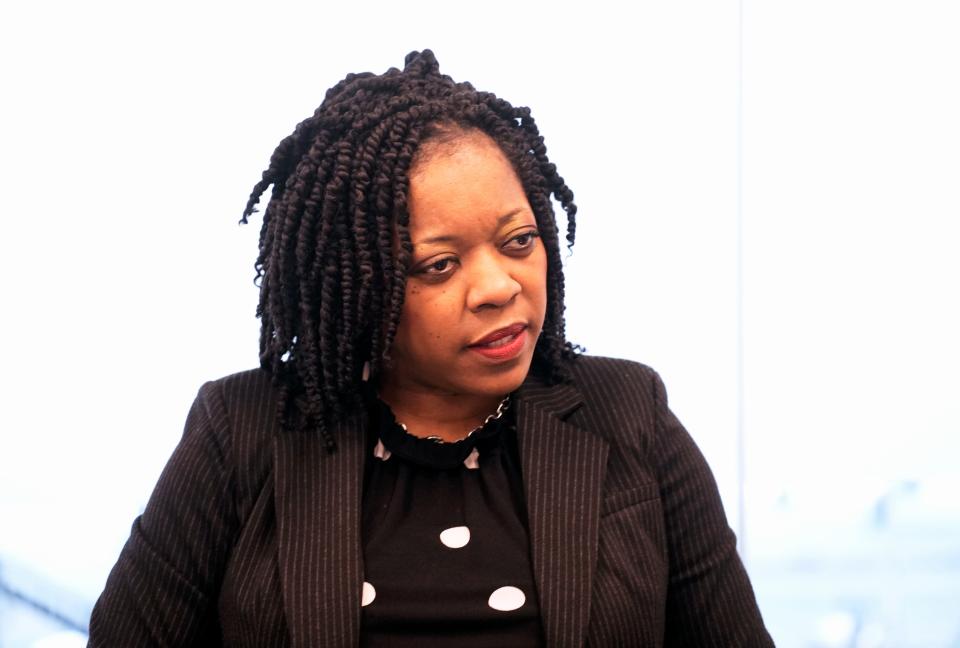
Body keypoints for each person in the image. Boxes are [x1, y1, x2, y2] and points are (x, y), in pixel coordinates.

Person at [88, 50, 774, 647]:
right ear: (357, 286)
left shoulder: (629, 414)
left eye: (518, 241)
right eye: (439, 266)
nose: (499, 287)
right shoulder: (239, 433)